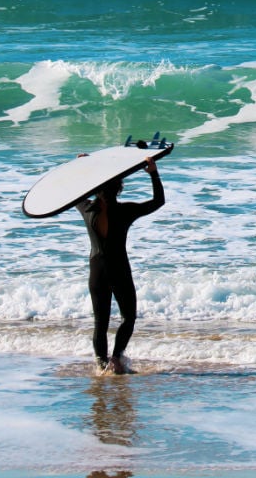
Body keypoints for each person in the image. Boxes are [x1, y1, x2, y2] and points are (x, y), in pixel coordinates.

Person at [77, 158, 165, 374]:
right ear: (119, 188)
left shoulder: (87, 210)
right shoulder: (125, 211)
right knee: (129, 316)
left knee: (101, 323)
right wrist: (153, 172)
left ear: (96, 189)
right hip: (119, 269)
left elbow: (76, 194)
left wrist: (82, 168)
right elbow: (158, 201)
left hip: (97, 271)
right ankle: (116, 359)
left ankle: (101, 366)